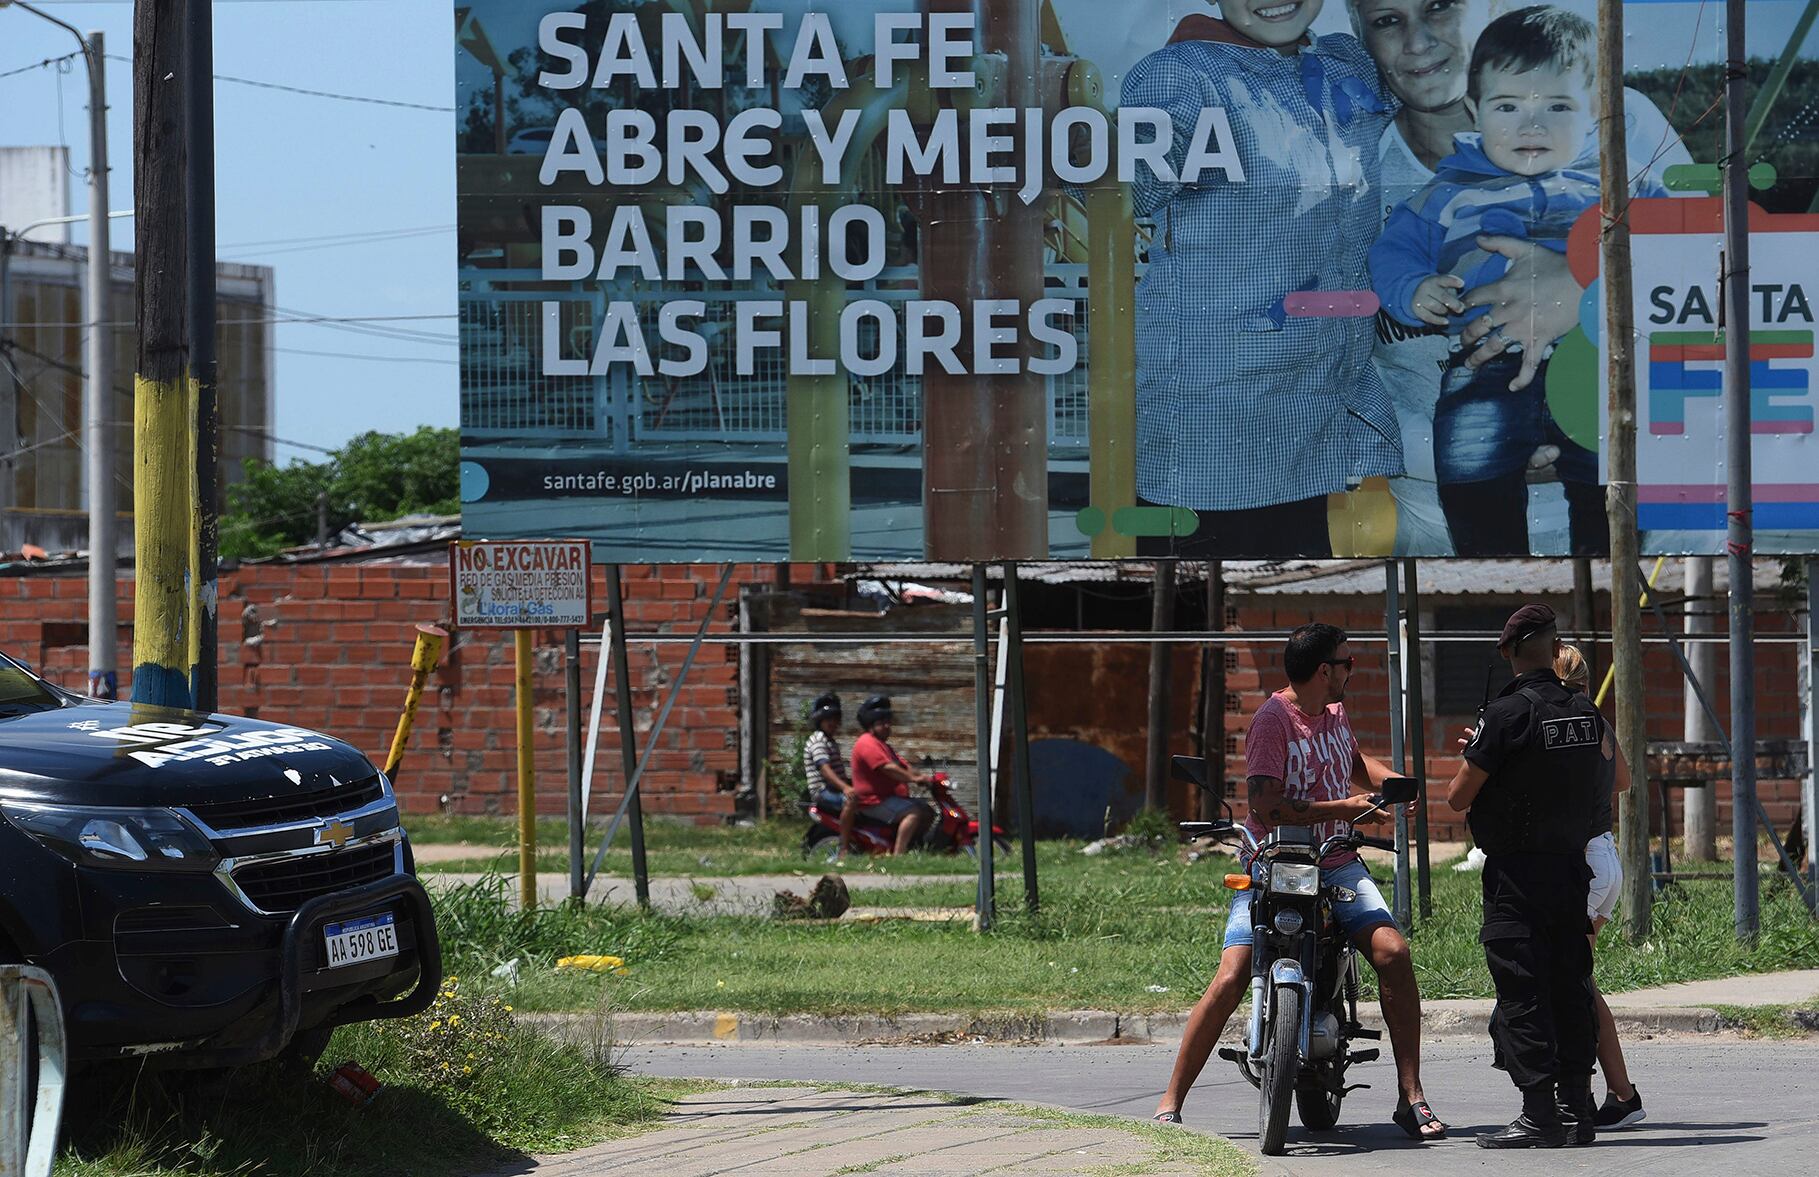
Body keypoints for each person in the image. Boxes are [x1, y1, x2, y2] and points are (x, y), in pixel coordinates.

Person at [1352, 0, 1692, 556]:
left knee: (1609, 491)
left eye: (1557, 107)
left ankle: (1607, 564)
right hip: (1483, 371)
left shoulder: (1617, 169)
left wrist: (1589, 281)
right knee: (1472, 469)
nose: (1533, 126)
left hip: (1596, 368)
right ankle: (1487, 559)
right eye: (1508, 107)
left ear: (1593, 112)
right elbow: (1394, 251)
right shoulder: (1446, 187)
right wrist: (1412, 288)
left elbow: (1690, 246)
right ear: (1478, 109)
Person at [1122, 1, 1403, 558]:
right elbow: (1121, 191)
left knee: (1299, 590)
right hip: (1218, 409)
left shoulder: (1347, 62)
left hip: (1322, 401)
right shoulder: (1183, 76)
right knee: (1201, 593)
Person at [1154, 623, 1445, 1140]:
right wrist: (1347, 808)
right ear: (1324, 671)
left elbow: (1351, 761)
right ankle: (1170, 1102)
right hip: (1272, 861)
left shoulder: (1333, 711)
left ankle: (1411, 1096)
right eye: (1347, 663)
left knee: (1393, 953)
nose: (1352, 670)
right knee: (1233, 972)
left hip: (1336, 861)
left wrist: (1391, 784)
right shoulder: (1272, 721)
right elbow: (1268, 805)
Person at [1445, 603, 1604, 1147]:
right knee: (1571, 988)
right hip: (1571, 871)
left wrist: (1479, 754)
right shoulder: (1585, 712)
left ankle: (1539, 1114)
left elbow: (1458, 796)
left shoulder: (1507, 714)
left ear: (1508, 651)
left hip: (1517, 876)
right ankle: (1576, 1109)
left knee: (1522, 993)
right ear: (1555, 647)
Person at [1553, 644, 1646, 1129]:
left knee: (1570, 984)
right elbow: (1623, 779)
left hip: (1585, 861)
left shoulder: (1559, 724)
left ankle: (1592, 1093)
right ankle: (1616, 1091)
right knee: (1581, 982)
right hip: (1606, 855)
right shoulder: (1598, 723)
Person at [849, 695, 933, 856]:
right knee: (913, 812)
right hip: (873, 801)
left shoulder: (884, 746)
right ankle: (899, 855)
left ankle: (914, 847)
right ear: (871, 725)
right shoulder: (867, 743)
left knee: (927, 810)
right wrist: (914, 779)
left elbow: (904, 766)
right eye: (881, 723)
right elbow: (888, 768)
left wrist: (926, 777)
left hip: (886, 798)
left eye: (888, 722)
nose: (887, 726)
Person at [803, 692, 858, 860]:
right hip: (822, 791)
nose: (833, 723)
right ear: (820, 720)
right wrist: (846, 788)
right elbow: (825, 770)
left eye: (835, 719)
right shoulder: (818, 740)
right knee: (850, 801)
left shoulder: (830, 741)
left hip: (833, 789)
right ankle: (843, 847)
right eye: (828, 719)